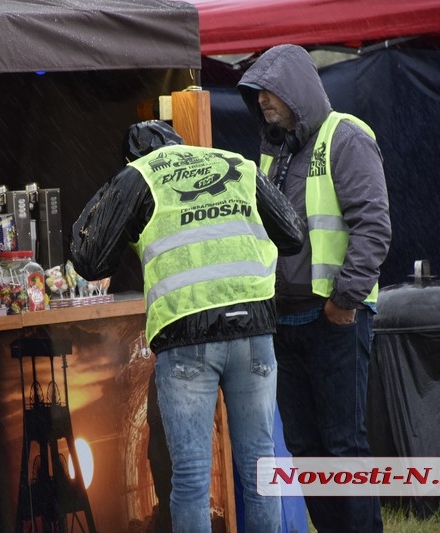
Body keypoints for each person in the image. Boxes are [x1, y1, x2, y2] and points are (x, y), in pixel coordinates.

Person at [70, 120, 306, 533]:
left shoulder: (141, 174)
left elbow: (89, 258)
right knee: (259, 467)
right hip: (253, 329)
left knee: (193, 478)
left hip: (187, 335)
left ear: (133, 157)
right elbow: (292, 235)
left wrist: (125, 214)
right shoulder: (236, 164)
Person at [237, 44, 392, 532]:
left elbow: (374, 225)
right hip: (286, 323)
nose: (262, 100)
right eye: (257, 92)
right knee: (306, 449)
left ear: (298, 89)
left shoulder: (344, 136)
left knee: (344, 447)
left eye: (271, 90)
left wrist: (345, 300)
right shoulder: (271, 153)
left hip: (335, 319)